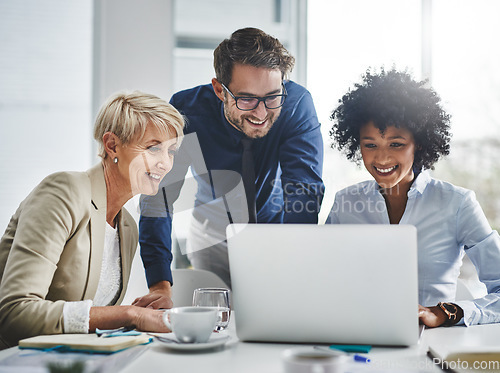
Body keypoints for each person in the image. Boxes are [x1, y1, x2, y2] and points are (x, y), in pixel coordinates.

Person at [135, 27, 324, 306]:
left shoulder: (295, 105)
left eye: (272, 96)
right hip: (211, 233)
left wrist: (293, 263)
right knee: (217, 322)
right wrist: (159, 283)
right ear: (219, 90)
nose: (261, 113)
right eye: (246, 99)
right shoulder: (186, 110)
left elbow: (303, 191)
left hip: (275, 228)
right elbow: (158, 197)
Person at [0, 91, 184, 348]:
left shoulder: (127, 226)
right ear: (112, 145)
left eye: (171, 151)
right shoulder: (63, 191)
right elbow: (14, 313)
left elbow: (89, 323)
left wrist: (140, 314)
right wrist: (130, 315)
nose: (165, 163)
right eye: (153, 148)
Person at [327, 68, 500, 327]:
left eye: (396, 144)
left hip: (430, 345)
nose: (382, 159)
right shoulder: (345, 203)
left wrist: (444, 313)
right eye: (370, 145)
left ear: (418, 142)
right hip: (356, 337)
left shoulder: (457, 204)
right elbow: (322, 282)